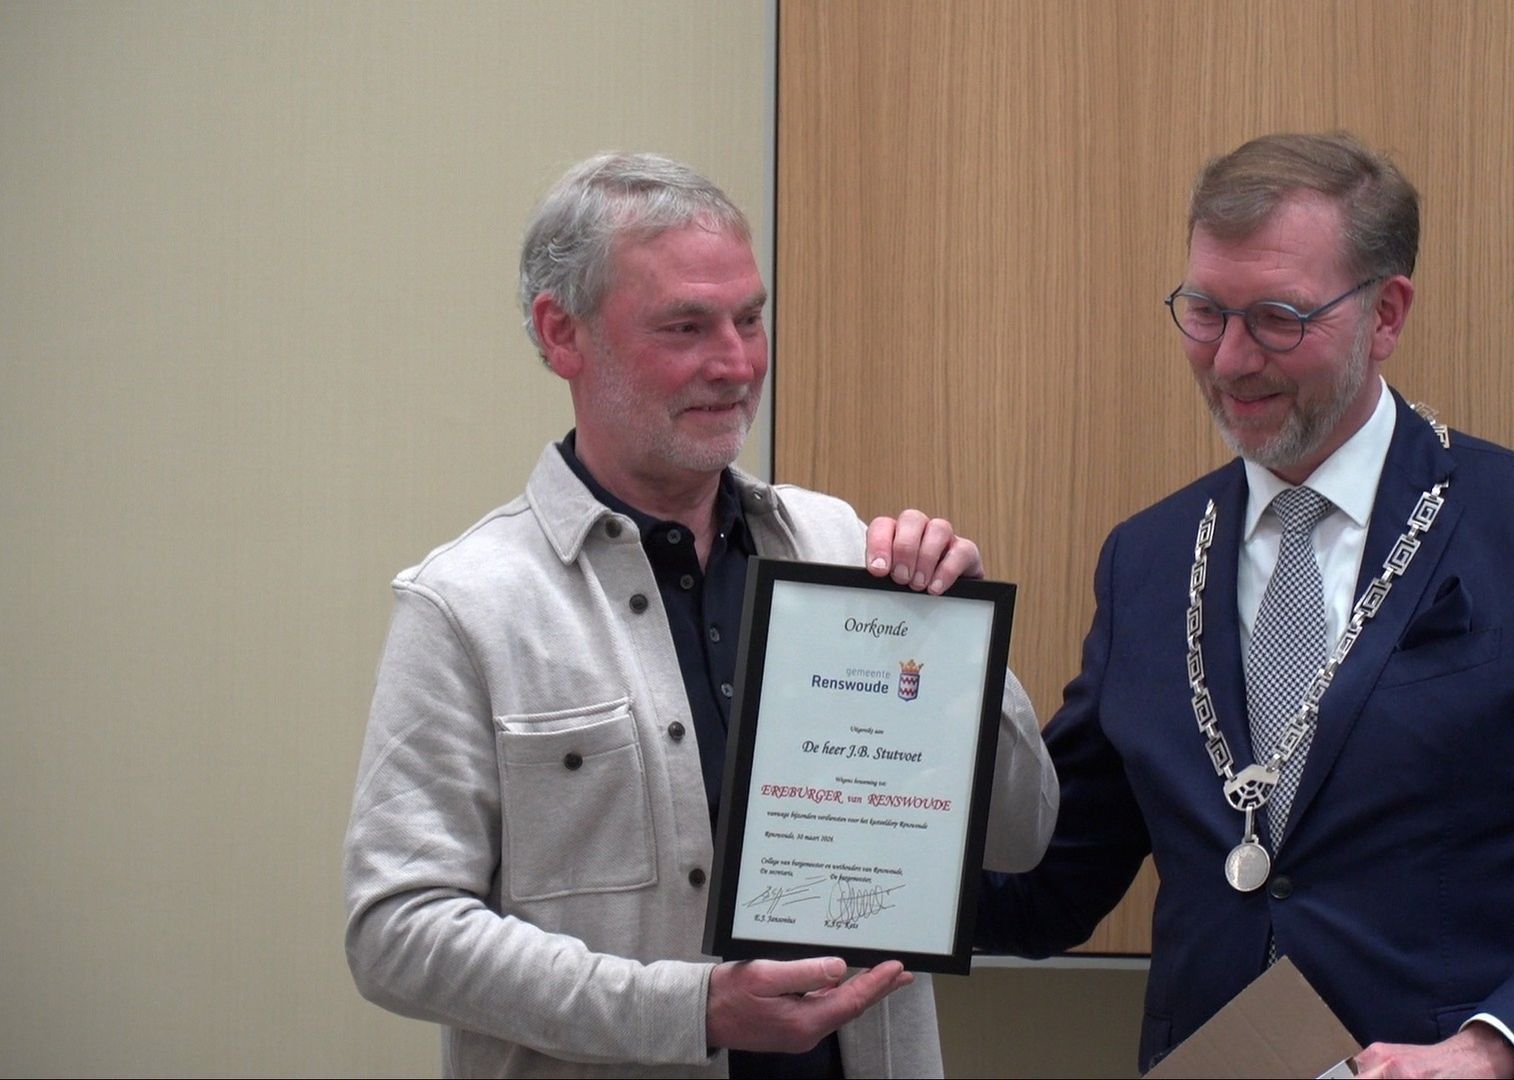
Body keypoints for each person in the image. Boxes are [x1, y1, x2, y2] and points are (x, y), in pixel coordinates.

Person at [974, 132, 1514, 1078]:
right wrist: (903, 724)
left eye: (1278, 319)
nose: (1230, 359)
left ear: (1386, 313)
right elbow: (1050, 883)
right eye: (1205, 312)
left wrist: (1492, 1049)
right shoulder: (1148, 560)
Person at [343, 153, 1058, 1078]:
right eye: (686, 326)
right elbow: (396, 932)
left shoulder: (845, 551)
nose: (735, 363)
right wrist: (691, 1011)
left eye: (749, 319)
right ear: (562, 334)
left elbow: (1019, 837)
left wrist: (959, 643)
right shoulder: (468, 605)